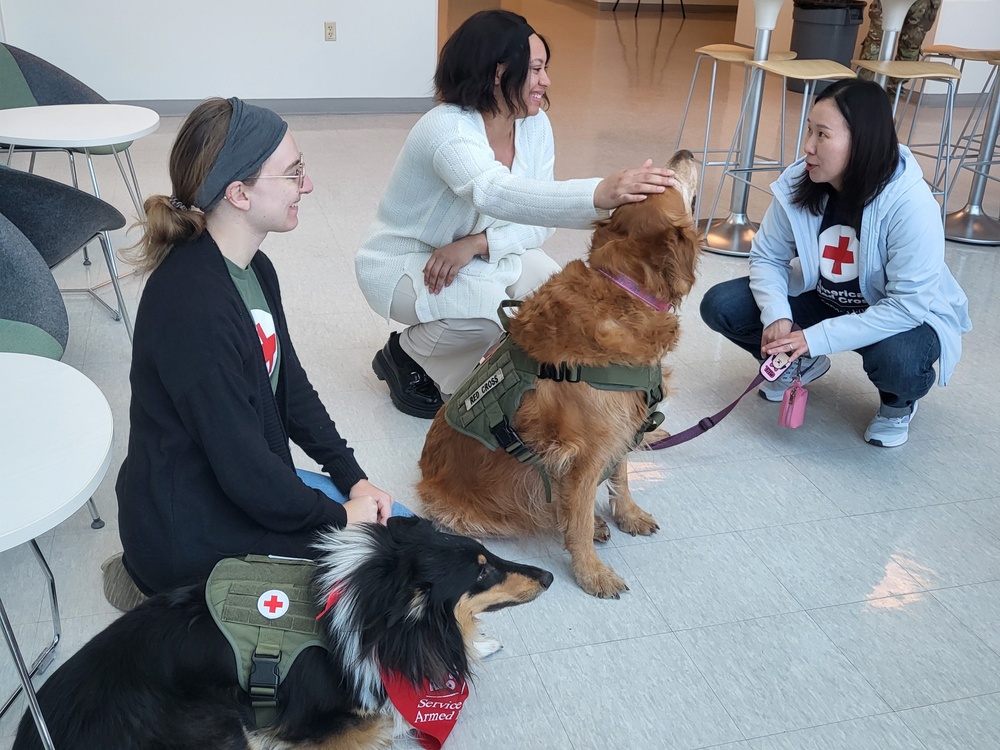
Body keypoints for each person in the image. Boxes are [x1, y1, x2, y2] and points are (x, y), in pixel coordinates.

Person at [109, 97, 406, 607]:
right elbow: (245, 471)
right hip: (190, 532)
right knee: (395, 561)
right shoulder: (193, 307)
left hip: (236, 488)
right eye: (294, 174)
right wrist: (340, 517)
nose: (306, 186)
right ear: (239, 193)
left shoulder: (252, 270)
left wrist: (351, 476)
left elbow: (291, 392)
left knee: (400, 532)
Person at [355, 9, 676, 418]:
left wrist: (478, 244)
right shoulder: (446, 130)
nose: (546, 81)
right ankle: (406, 355)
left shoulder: (535, 125)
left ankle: (485, 366)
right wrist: (598, 193)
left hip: (472, 254)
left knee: (554, 297)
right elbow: (495, 193)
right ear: (497, 72)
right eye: (536, 69)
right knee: (493, 315)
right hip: (407, 264)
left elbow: (536, 218)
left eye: (545, 68)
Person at [699, 79, 971, 447]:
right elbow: (768, 256)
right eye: (809, 130)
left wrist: (815, 338)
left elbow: (906, 306)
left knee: (900, 360)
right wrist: (778, 316)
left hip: (898, 316)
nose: (808, 146)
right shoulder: (801, 180)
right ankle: (801, 364)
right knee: (722, 305)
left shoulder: (911, 203)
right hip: (824, 298)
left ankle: (898, 404)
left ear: (860, 142)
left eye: (822, 135)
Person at [858, 0, 942, 95]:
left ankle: (890, 95)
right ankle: (864, 92)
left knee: (909, 50)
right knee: (875, 44)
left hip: (923, 4)